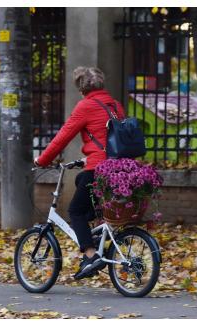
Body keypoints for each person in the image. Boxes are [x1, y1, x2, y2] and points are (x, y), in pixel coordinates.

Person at [34, 66, 125, 280]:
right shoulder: (115, 105)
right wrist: (87, 158)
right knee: (80, 180)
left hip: (99, 168)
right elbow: (110, 138)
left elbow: (63, 137)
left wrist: (42, 160)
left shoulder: (86, 106)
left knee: (75, 210)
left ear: (82, 89)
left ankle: (91, 255)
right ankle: (95, 235)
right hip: (118, 167)